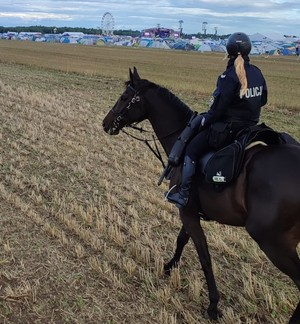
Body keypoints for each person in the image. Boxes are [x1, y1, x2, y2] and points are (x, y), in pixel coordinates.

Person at [166, 32, 268, 208]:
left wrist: (206, 120)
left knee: (191, 149)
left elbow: (218, 109)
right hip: (251, 128)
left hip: (229, 129)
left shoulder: (228, 76)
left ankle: (183, 194)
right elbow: (264, 100)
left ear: (228, 51)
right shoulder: (257, 73)